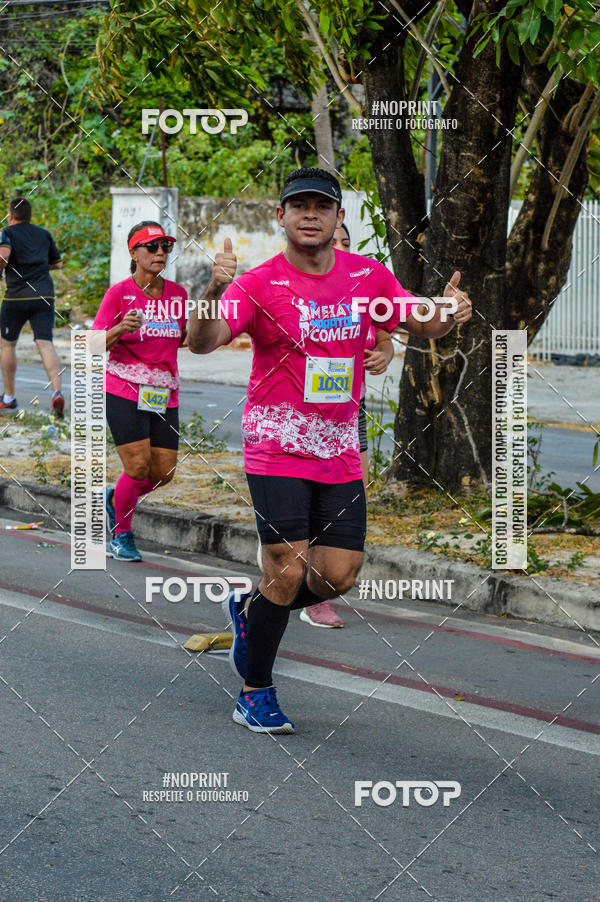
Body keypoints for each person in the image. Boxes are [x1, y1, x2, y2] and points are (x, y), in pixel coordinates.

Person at [188, 166, 472, 734]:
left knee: (338, 575)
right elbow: (201, 343)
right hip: (277, 442)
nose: (310, 215)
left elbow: (422, 324)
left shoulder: (368, 276)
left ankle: (251, 611)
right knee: (286, 567)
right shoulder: (258, 283)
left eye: (322, 206)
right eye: (300, 206)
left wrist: (449, 310)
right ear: (281, 216)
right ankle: (255, 692)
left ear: (339, 217)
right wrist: (213, 291)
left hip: (338, 446)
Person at [92, 221, 235, 562]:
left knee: (164, 473)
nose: (160, 253)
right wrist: (120, 328)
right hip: (124, 387)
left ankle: (117, 499)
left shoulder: (178, 294)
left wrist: (215, 316)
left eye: (165, 247)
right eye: (152, 246)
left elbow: (187, 335)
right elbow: (91, 344)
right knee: (138, 466)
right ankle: (122, 535)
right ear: (134, 252)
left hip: (163, 390)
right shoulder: (119, 294)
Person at [297, 224, 394, 629]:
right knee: (305, 507)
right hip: (300, 416)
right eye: (333, 241)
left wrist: (384, 353)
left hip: (351, 411)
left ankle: (315, 590)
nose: (338, 248)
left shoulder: (365, 286)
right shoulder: (294, 285)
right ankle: (294, 588)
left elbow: (385, 336)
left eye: (345, 243)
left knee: (353, 499)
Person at [0, 197, 65, 416]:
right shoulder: (43, 234)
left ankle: (9, 398)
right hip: (44, 295)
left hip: (16, 297)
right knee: (45, 343)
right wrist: (38, 265)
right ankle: (57, 392)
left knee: (8, 344)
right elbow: (58, 263)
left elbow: (3, 255)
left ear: (10, 215)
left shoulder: (6, 233)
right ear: (29, 216)